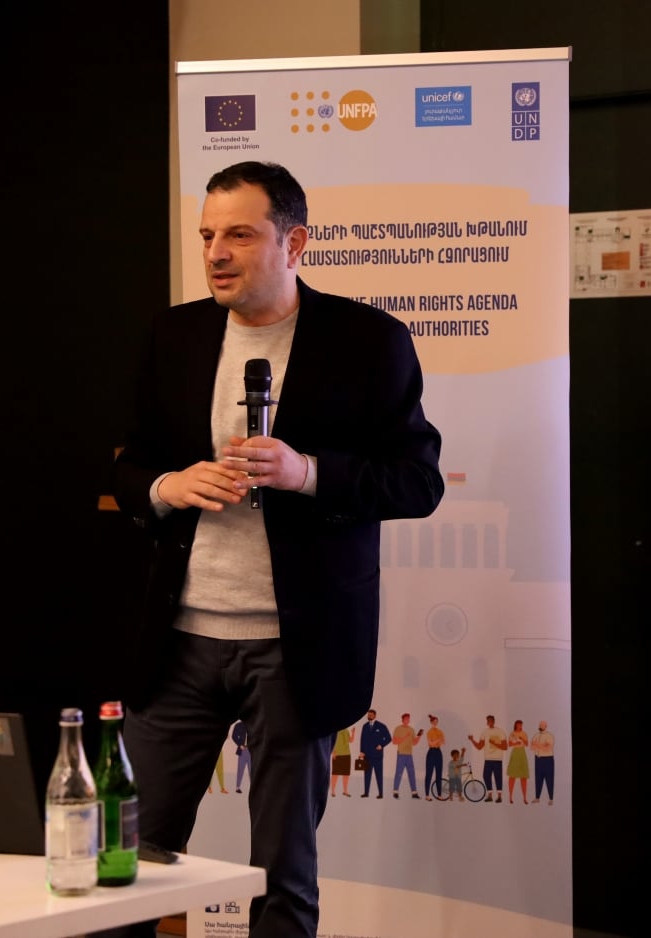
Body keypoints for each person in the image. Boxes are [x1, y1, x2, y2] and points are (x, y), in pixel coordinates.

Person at [111, 160, 444, 938]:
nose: (216, 252)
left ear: (294, 242)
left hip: (297, 647)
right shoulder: (174, 334)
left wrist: (309, 473)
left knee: (282, 877)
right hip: (180, 641)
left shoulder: (369, 341)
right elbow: (127, 466)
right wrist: (168, 485)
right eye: (206, 236)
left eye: (238, 234)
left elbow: (417, 482)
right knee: (125, 862)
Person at [469, 714, 508, 802]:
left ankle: (499, 796)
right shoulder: (484, 732)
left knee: (498, 777)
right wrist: (472, 740)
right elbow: (479, 747)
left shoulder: (500, 731)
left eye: (490, 720)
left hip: (497, 759)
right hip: (488, 759)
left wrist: (494, 743)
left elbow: (505, 747)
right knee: (486, 776)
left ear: (493, 721)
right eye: (487, 721)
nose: (489, 722)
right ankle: (489, 795)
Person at [359, 708, 393, 799]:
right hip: (367, 756)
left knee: (379, 775)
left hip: (377, 756)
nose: (369, 716)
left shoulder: (381, 726)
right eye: (368, 715)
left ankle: (380, 793)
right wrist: (361, 752)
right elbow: (362, 740)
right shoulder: (365, 726)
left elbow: (389, 738)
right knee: (367, 775)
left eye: (371, 715)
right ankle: (366, 793)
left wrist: (381, 745)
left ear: (375, 715)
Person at [391, 712, 423, 799]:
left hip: (409, 754)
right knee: (399, 773)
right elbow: (394, 742)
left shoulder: (411, 729)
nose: (407, 720)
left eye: (408, 719)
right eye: (406, 719)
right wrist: (405, 737)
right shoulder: (398, 728)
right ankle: (395, 791)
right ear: (402, 720)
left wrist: (419, 736)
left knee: (411, 773)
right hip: (401, 754)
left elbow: (414, 743)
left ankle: (414, 792)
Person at [530, 719, 555, 804]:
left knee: (549, 778)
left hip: (548, 759)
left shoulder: (549, 736)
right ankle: (537, 798)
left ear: (545, 726)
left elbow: (548, 748)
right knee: (538, 778)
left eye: (542, 725)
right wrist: (541, 745)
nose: (540, 726)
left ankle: (551, 799)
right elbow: (532, 747)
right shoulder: (536, 735)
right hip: (538, 759)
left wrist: (538, 745)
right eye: (540, 725)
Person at [506, 719, 530, 804]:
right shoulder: (512, 733)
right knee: (512, 776)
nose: (520, 726)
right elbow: (509, 744)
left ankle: (524, 798)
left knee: (523, 776)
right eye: (518, 724)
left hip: (522, 753)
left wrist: (522, 739)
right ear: (515, 725)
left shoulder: (524, 733)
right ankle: (510, 797)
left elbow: (527, 744)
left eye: (521, 724)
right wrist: (515, 744)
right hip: (515, 753)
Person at [423, 714, 445, 800]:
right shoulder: (429, 732)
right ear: (431, 722)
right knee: (429, 774)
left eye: (437, 722)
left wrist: (436, 740)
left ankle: (439, 795)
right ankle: (427, 795)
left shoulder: (440, 731)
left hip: (438, 752)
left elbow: (443, 742)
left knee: (439, 774)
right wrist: (438, 740)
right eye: (434, 721)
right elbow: (431, 744)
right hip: (431, 752)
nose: (436, 723)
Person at [330, 725, 355, 797]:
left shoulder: (346, 730)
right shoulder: (334, 731)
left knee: (346, 774)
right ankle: (333, 791)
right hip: (337, 754)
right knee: (335, 774)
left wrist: (353, 733)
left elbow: (350, 740)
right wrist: (333, 752)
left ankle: (345, 791)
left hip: (346, 754)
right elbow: (331, 742)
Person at [232, 720, 251, 793]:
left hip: (251, 750)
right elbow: (234, 736)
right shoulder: (238, 725)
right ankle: (237, 787)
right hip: (242, 750)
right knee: (240, 769)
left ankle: (253, 787)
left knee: (252, 770)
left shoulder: (253, 722)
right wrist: (240, 744)